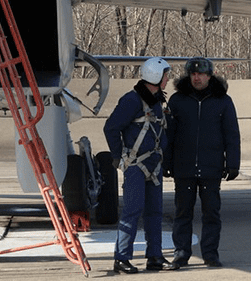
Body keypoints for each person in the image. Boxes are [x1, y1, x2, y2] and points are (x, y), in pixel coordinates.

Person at [103, 58, 179, 274]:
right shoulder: (131, 101)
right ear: (156, 76)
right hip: (136, 165)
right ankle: (121, 258)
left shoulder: (157, 101)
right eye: (165, 75)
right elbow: (111, 128)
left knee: (155, 212)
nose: (167, 79)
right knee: (132, 211)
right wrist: (118, 156)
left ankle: (154, 256)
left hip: (154, 165)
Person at [164, 57, 241, 269]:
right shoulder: (177, 100)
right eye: (193, 74)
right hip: (184, 167)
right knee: (182, 213)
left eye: (201, 74)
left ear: (210, 75)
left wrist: (233, 163)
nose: (197, 78)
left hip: (211, 167)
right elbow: (168, 134)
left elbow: (231, 134)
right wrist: (166, 161)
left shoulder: (223, 101)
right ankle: (181, 253)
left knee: (211, 214)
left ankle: (210, 254)